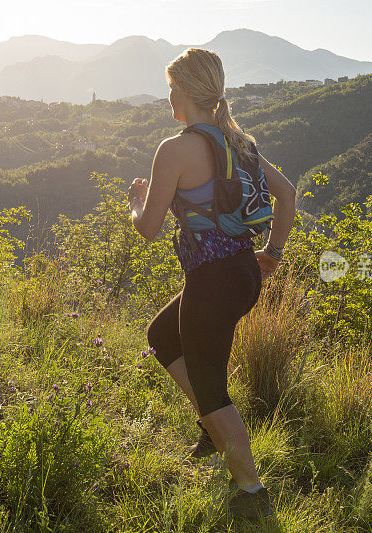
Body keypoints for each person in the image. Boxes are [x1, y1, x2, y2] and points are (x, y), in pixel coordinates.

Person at [127, 47, 297, 520]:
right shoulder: (237, 142)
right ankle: (211, 424)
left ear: (186, 91)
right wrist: (273, 255)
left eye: (170, 89)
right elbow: (287, 194)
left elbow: (147, 227)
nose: (168, 98)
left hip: (212, 283)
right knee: (162, 335)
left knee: (212, 387)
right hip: (243, 273)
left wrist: (135, 200)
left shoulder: (176, 149)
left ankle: (250, 493)